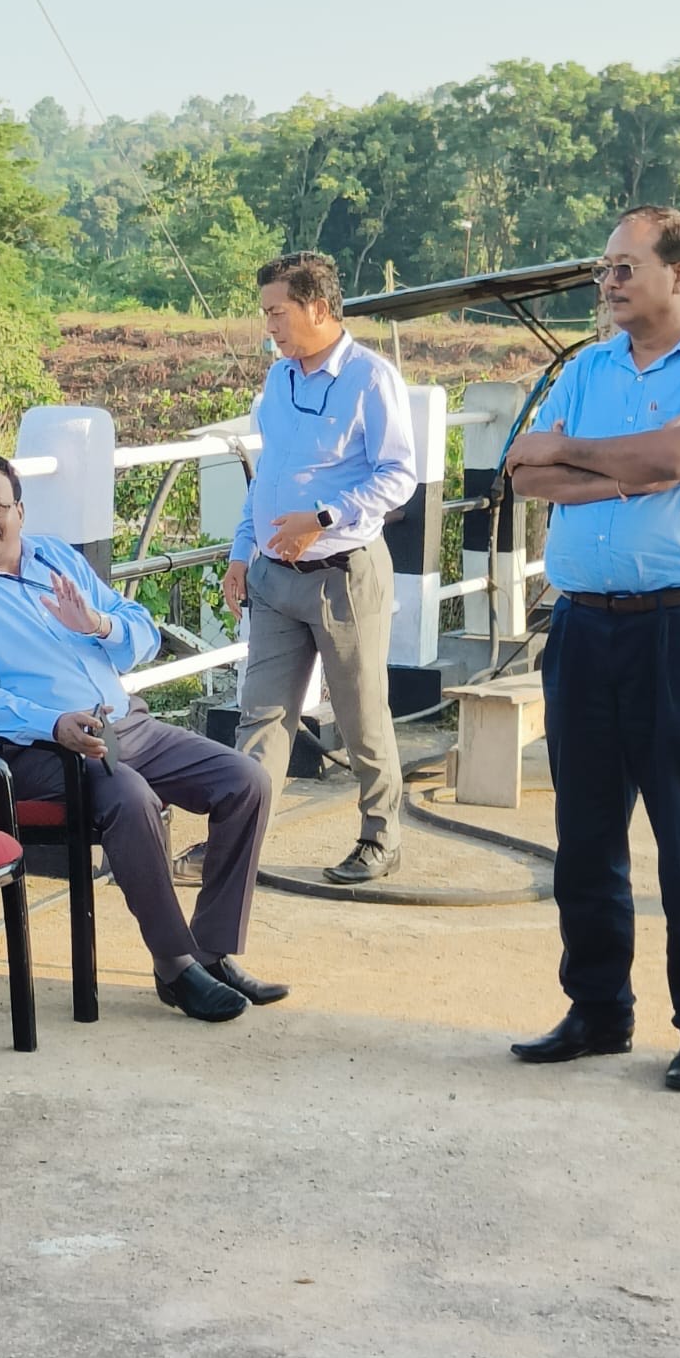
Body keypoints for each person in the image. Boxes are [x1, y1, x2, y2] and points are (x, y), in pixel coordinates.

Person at [506, 206, 680, 1092]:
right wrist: (624, 466)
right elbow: (525, 475)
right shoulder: (588, 367)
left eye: (624, 266)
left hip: (677, 628)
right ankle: (598, 1011)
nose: (608, 282)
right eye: (604, 269)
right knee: (584, 831)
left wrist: (580, 457)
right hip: (582, 625)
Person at [0, 451, 283, 1024]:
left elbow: (140, 632)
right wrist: (52, 723)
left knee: (245, 780)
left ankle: (212, 950)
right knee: (130, 799)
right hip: (35, 751)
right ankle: (176, 965)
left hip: (125, 725)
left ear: (19, 510)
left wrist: (97, 625)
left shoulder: (55, 557)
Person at [223, 251, 417, 884]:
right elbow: (268, 474)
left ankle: (380, 838)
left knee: (362, 714)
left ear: (318, 308)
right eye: (266, 315)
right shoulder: (278, 381)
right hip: (276, 578)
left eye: (278, 313)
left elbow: (399, 477)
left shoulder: (371, 378)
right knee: (262, 718)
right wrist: (240, 551)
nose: (271, 327)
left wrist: (326, 517)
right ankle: (236, 844)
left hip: (343, 574)